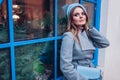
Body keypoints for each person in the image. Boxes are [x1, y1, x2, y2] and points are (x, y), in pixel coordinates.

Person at [60, 3, 110, 80]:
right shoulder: (69, 36)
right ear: (71, 19)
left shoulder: (88, 33)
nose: (81, 16)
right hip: (77, 76)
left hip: (91, 73)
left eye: (83, 13)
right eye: (76, 15)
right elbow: (66, 67)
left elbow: (105, 43)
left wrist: (90, 29)